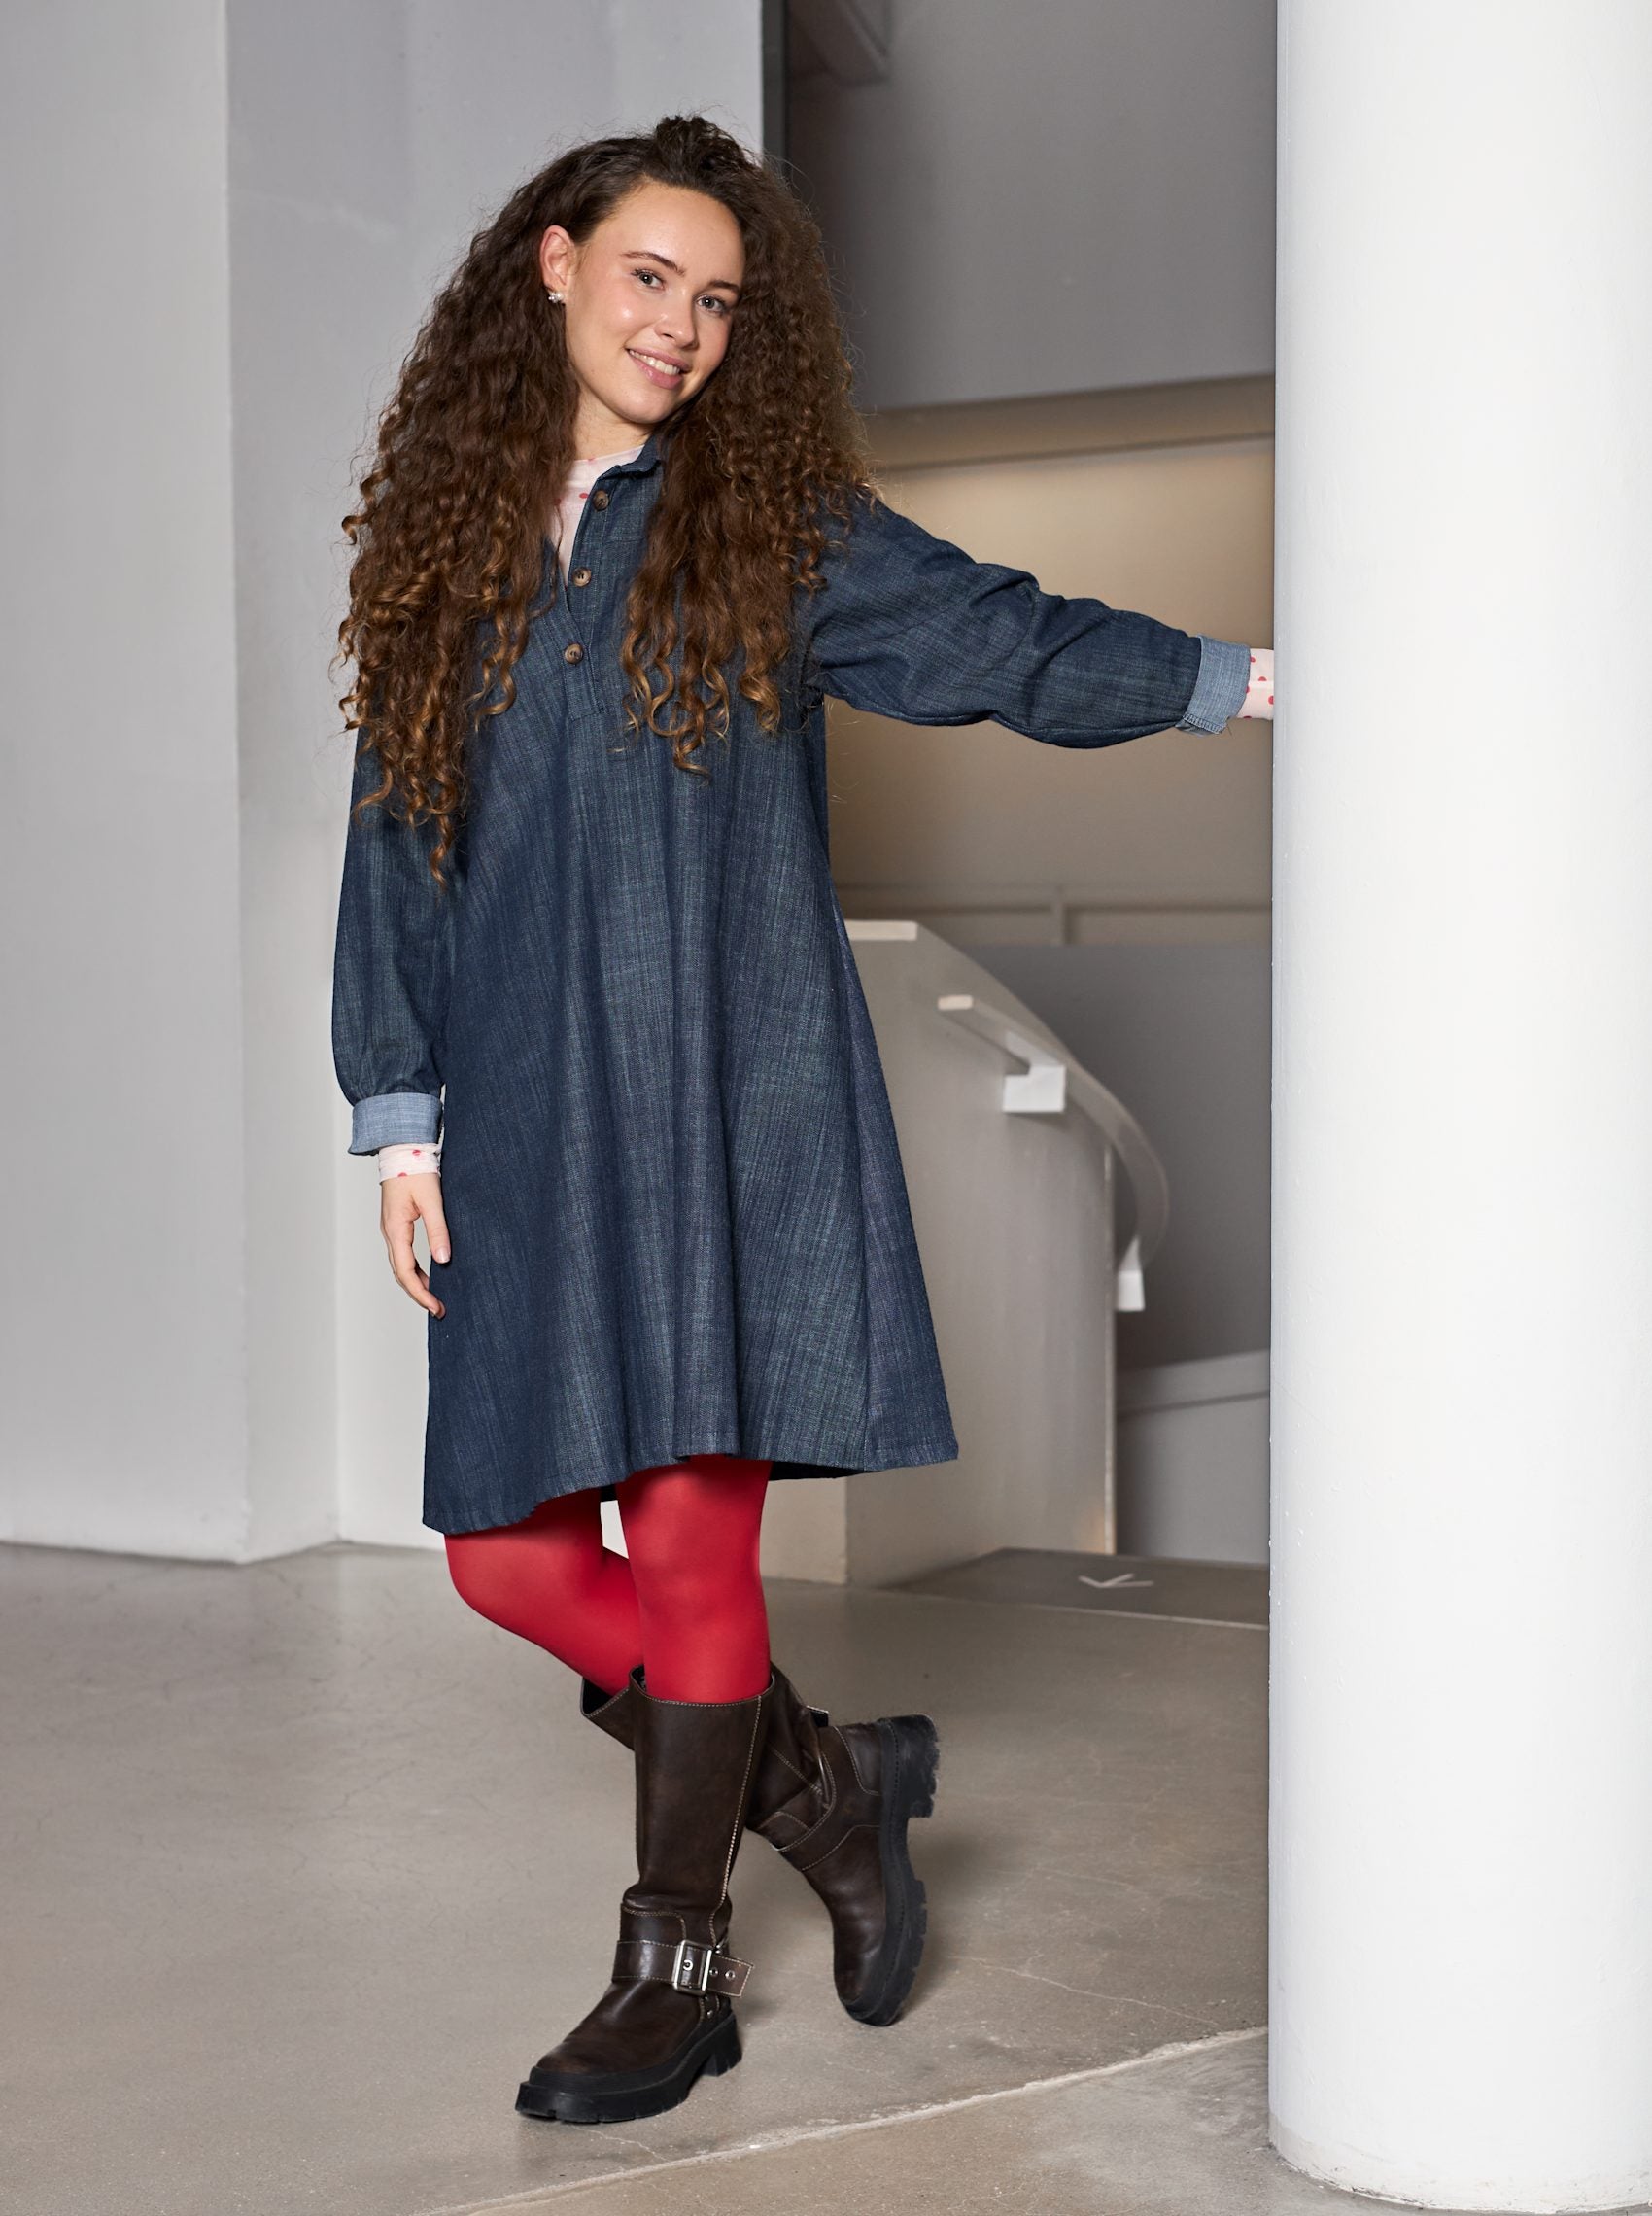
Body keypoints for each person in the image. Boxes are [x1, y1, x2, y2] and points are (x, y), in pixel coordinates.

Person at [329, 112, 1274, 2129]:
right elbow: (400, 843)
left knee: (691, 1546)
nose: (679, 327)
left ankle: (672, 1976)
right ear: (555, 269)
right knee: (501, 1556)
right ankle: (837, 1790)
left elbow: (1002, 636)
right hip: (524, 1121)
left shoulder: (768, 530)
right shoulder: (445, 557)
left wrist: (1252, 681)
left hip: (728, 1106)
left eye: (718, 302)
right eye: (647, 278)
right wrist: (402, 1124)